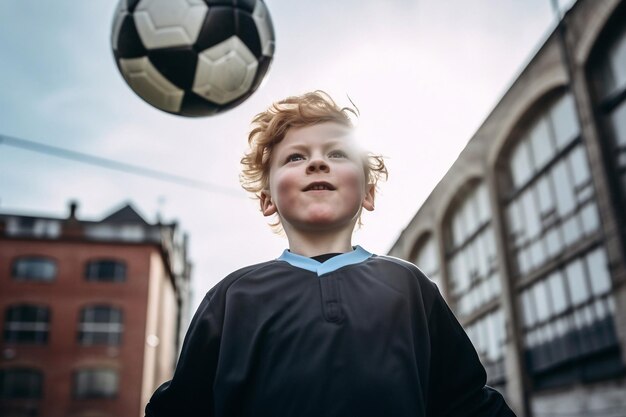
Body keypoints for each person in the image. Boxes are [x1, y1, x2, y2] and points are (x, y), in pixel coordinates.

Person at [145, 91, 517, 417]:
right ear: (267, 200)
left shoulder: (410, 288)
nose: (317, 163)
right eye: (295, 158)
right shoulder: (231, 297)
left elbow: (466, 402)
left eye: (337, 153)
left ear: (368, 194)